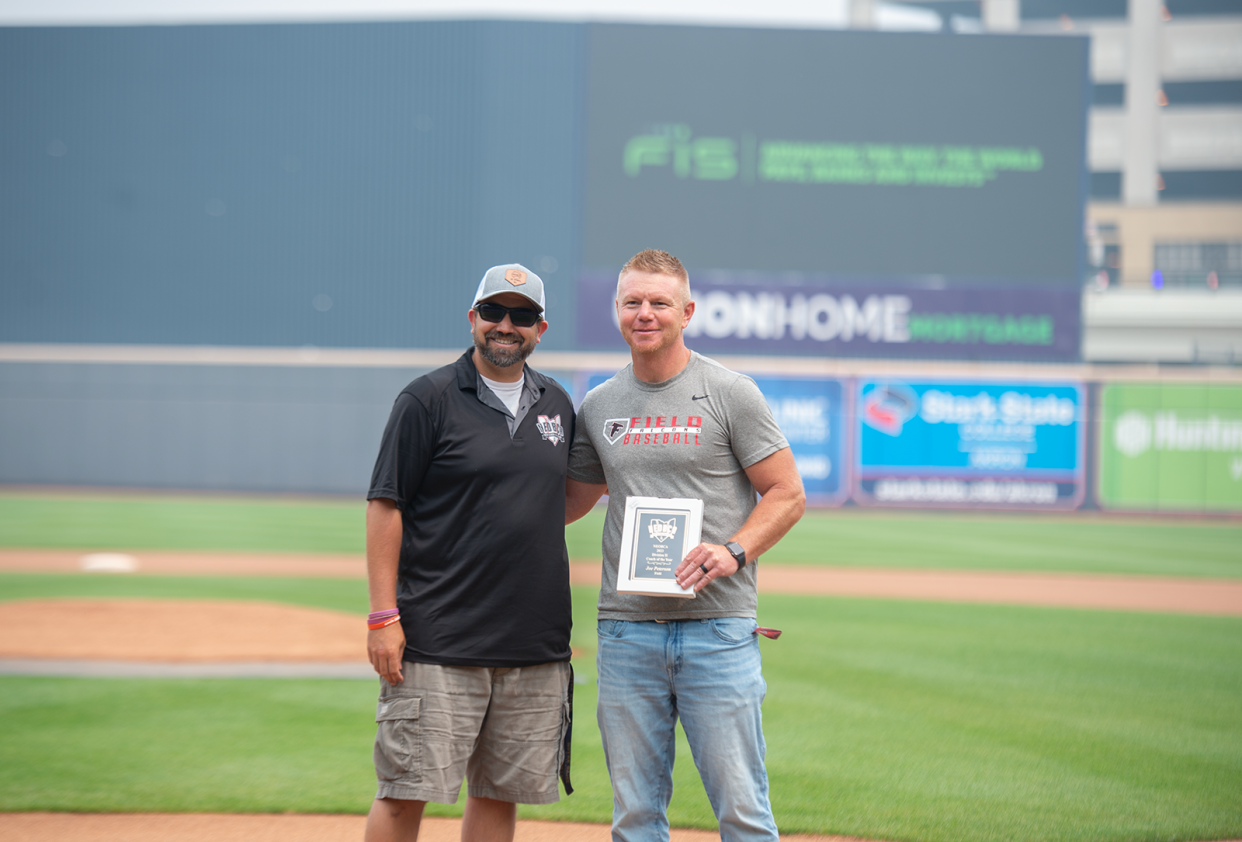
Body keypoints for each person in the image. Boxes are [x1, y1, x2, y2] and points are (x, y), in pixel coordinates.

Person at [566, 249, 806, 842]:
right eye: (632, 302)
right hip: (627, 630)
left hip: (717, 628)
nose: (644, 313)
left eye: (659, 303)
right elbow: (567, 503)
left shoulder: (729, 392)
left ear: (687, 311)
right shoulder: (600, 405)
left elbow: (786, 494)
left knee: (743, 811)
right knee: (635, 817)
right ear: (617, 309)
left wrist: (733, 551)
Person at [364, 263, 576, 842]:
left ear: (541, 328)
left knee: (499, 797)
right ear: (472, 317)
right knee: (406, 793)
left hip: (532, 643)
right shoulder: (426, 399)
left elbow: (563, 497)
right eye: (494, 312)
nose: (506, 326)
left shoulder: (557, 403)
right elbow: (386, 505)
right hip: (438, 638)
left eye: (523, 316)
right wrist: (384, 616)